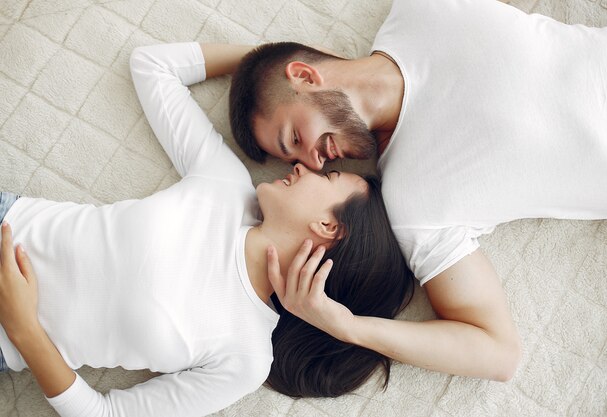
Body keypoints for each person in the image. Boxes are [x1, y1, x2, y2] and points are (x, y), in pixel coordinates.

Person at [0, 42, 414, 417]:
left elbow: (102, 415)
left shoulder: (245, 358)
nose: (304, 165)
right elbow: (152, 66)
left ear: (328, 226)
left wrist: (24, 330)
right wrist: (275, 65)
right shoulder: (224, 184)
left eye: (327, 178)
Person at [222, 0, 607, 381]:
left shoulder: (421, 9)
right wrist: (348, 326)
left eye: (293, 137)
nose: (312, 163)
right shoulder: (412, 203)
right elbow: (499, 354)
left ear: (305, 76)